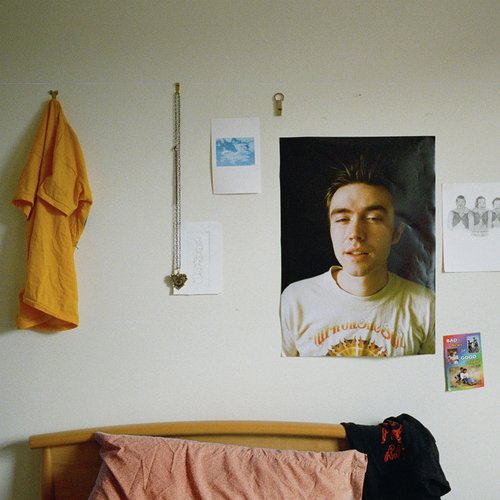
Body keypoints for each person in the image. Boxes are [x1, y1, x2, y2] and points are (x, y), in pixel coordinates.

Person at [280, 159, 435, 357]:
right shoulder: (295, 299)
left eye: (373, 218)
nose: (355, 233)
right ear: (330, 229)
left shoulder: (426, 305)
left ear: (397, 232)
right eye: (342, 219)